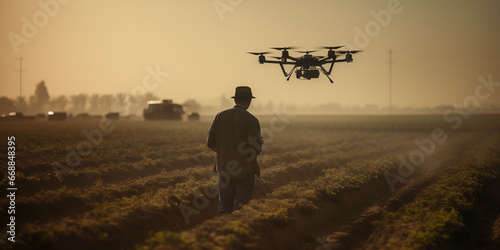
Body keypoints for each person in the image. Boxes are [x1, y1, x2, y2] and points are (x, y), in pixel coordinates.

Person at [207, 86, 263, 215]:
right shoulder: (252, 120)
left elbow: (210, 143)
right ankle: (238, 231)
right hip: (245, 171)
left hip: (225, 170)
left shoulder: (219, 116)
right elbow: (256, 148)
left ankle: (223, 232)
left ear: (235, 100)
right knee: (242, 208)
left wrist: (226, 153)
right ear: (249, 101)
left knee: (224, 208)